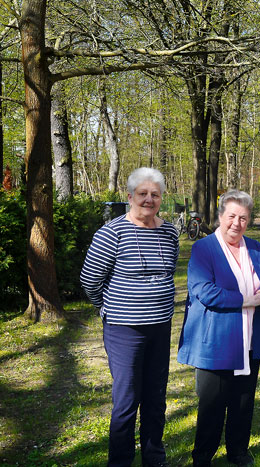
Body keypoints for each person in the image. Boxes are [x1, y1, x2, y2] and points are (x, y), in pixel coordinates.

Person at [80, 167, 178, 467]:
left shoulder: (170, 232)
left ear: (161, 198)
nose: (149, 200)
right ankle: (120, 461)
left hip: (160, 328)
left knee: (155, 399)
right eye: (143, 194)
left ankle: (154, 458)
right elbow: (90, 279)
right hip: (125, 331)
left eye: (155, 194)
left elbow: (169, 271)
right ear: (130, 196)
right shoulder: (112, 233)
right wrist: (107, 309)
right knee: (126, 401)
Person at [177, 190, 260, 466]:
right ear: (220, 217)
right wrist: (247, 300)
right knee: (212, 405)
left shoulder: (257, 249)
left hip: (249, 338)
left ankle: (238, 452)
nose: (237, 223)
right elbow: (204, 292)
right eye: (232, 216)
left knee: (243, 402)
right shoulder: (204, 249)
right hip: (216, 340)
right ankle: (202, 457)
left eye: (243, 218)